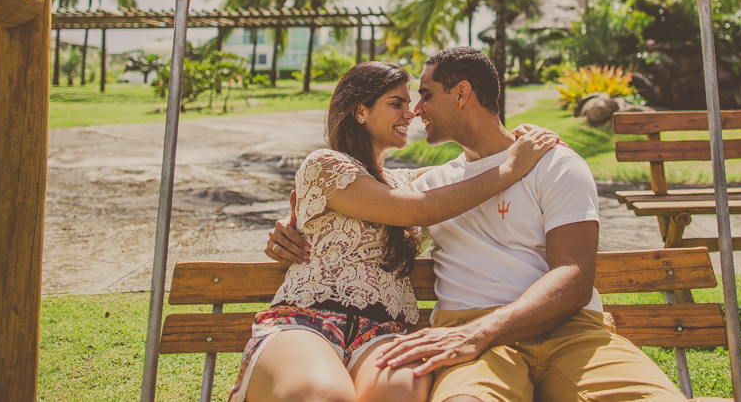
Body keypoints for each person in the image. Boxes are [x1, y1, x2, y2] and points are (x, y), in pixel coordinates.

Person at [268, 47, 688, 402]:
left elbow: (574, 276)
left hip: (570, 331)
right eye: (404, 101)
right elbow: (400, 207)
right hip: (467, 336)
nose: (415, 110)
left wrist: (482, 331)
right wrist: (290, 225)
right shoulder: (431, 185)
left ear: (463, 93)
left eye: (425, 95)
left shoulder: (555, 163)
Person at [231, 61, 560, 402]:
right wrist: (510, 167)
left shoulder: (406, 181)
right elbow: (415, 209)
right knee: (323, 394)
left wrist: (516, 140)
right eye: (396, 103)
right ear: (360, 111)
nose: (411, 113)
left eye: (411, 102)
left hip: (382, 333)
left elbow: (472, 170)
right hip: (307, 320)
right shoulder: (325, 165)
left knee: (404, 391)